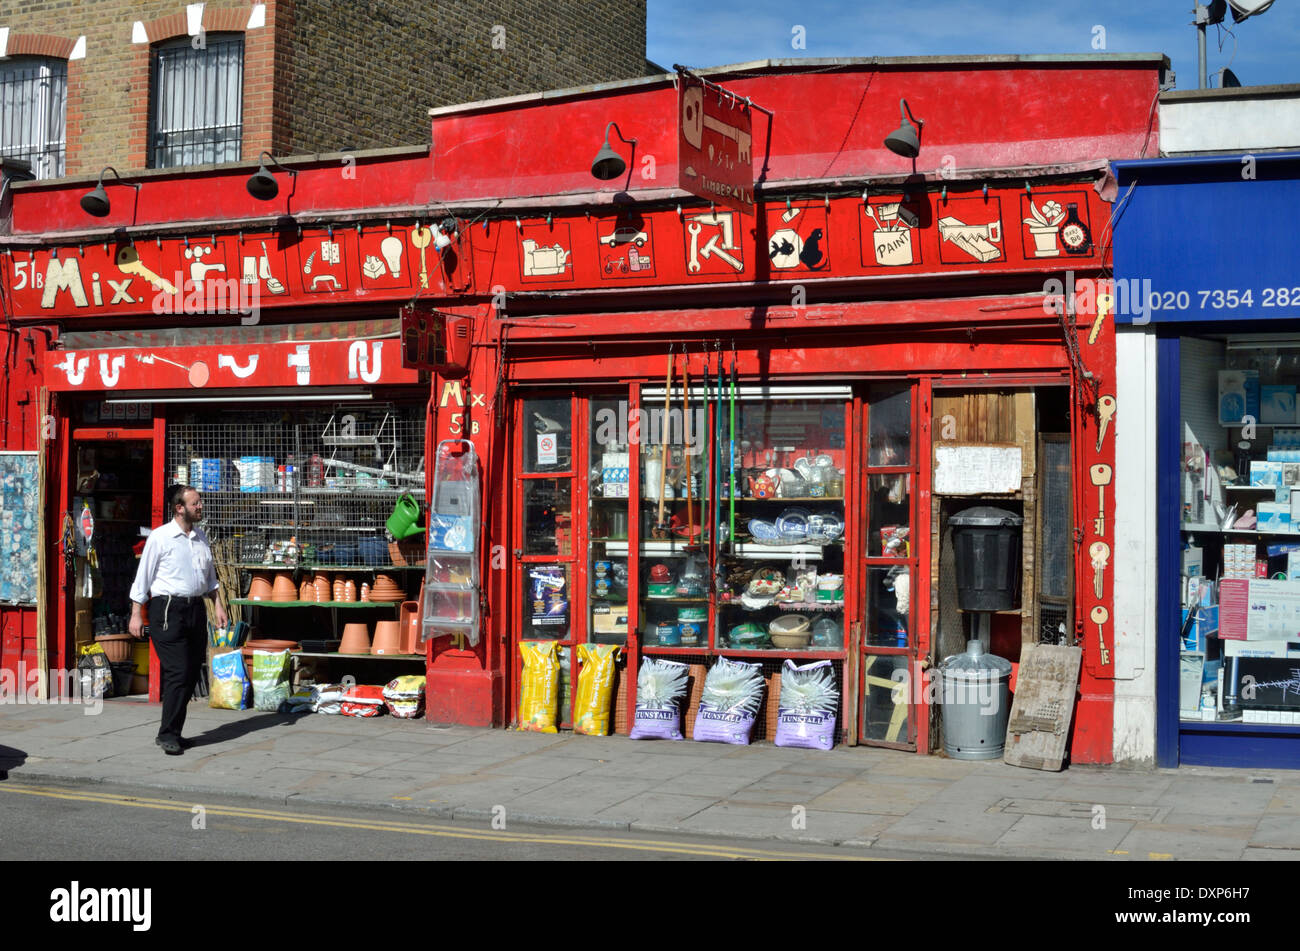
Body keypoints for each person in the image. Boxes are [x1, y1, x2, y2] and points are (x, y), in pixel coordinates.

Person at [129, 484, 226, 754]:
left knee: (192, 672)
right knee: (178, 672)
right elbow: (142, 578)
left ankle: (174, 731)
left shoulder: (201, 537)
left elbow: (209, 578)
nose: (201, 506)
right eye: (195, 503)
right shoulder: (160, 538)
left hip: (195, 608)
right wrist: (136, 614)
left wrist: (218, 605)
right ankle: (167, 733)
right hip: (167, 609)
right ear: (179, 508)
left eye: (200, 502)